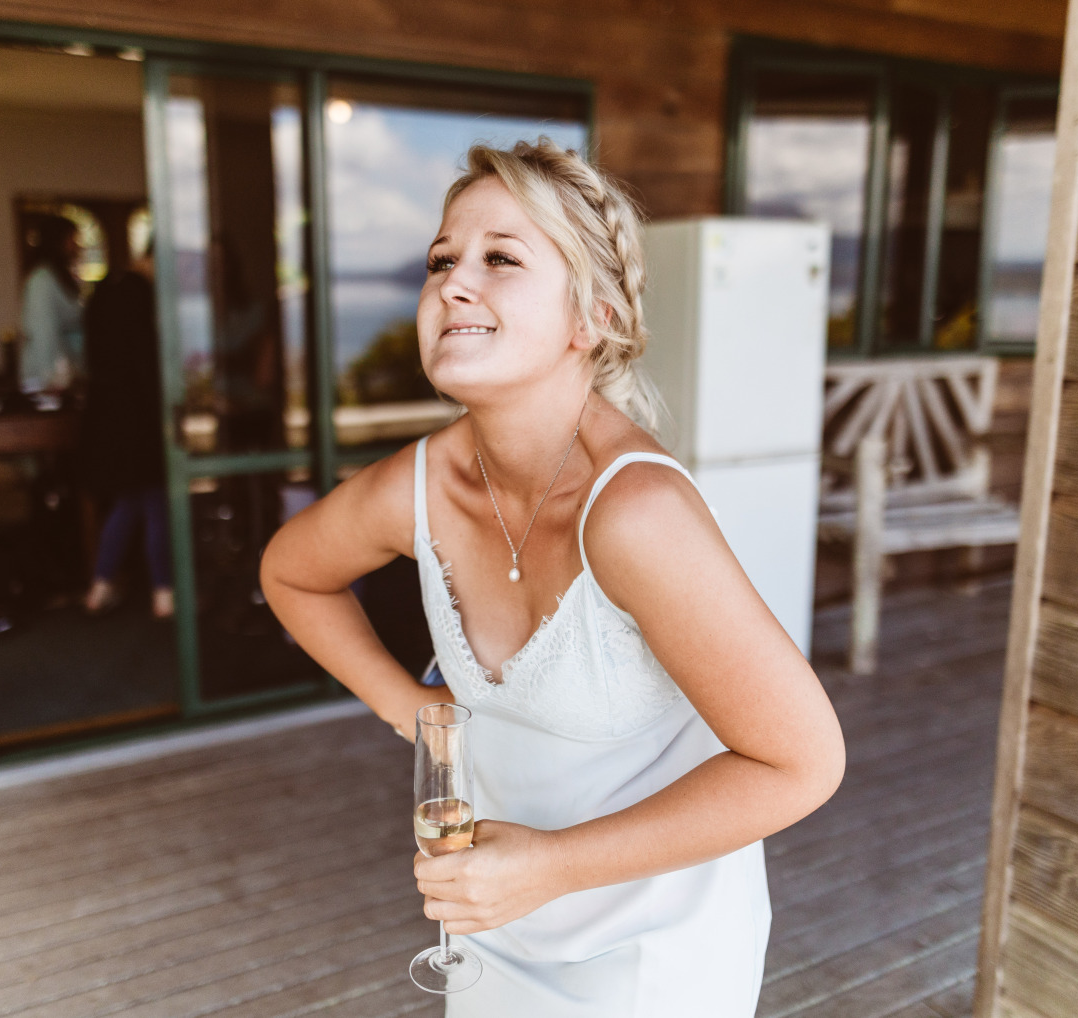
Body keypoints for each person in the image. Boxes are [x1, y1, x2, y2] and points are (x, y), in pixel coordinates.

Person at [260, 140, 845, 1016]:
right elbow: (292, 573)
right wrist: (412, 713)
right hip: (494, 922)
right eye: (442, 261)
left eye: (501, 258)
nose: (454, 284)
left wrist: (553, 866)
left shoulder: (636, 513)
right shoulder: (418, 486)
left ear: (592, 318)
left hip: (652, 951)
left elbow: (803, 764)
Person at [81, 241, 173, 618]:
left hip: (107, 416)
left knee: (128, 501)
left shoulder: (101, 293)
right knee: (156, 502)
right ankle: (164, 591)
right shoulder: (142, 296)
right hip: (140, 416)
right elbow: (148, 364)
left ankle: (100, 585)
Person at [19, 214, 84, 393]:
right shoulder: (41, 281)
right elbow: (43, 332)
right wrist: (52, 378)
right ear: (57, 241)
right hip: (49, 380)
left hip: (67, 373)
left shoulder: (59, 277)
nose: (77, 246)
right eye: (72, 239)